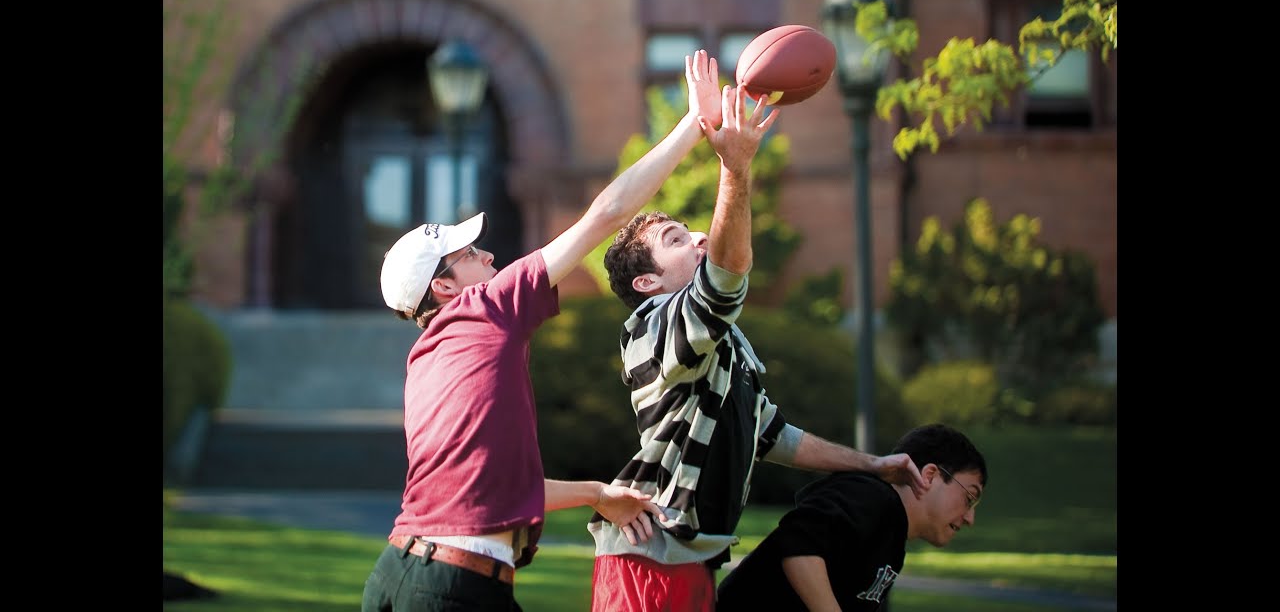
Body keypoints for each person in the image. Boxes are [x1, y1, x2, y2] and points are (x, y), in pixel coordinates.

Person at [362, 49, 728, 612]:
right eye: (468, 254)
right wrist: (693, 126)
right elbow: (607, 214)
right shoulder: (485, 307)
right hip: (455, 588)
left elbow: (490, 491)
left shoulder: (424, 360)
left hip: (401, 574)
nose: (488, 255)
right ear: (444, 288)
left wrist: (598, 494)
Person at [587, 84, 929, 612]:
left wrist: (871, 464)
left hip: (691, 556)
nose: (699, 238)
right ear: (647, 283)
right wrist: (735, 167)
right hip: (647, 556)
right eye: (677, 240)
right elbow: (723, 284)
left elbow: (774, 436)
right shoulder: (650, 327)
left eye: (694, 231)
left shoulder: (718, 349)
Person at [715, 423, 988, 611]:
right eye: (969, 497)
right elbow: (797, 542)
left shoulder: (892, 542)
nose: (970, 518)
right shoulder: (872, 497)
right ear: (930, 475)